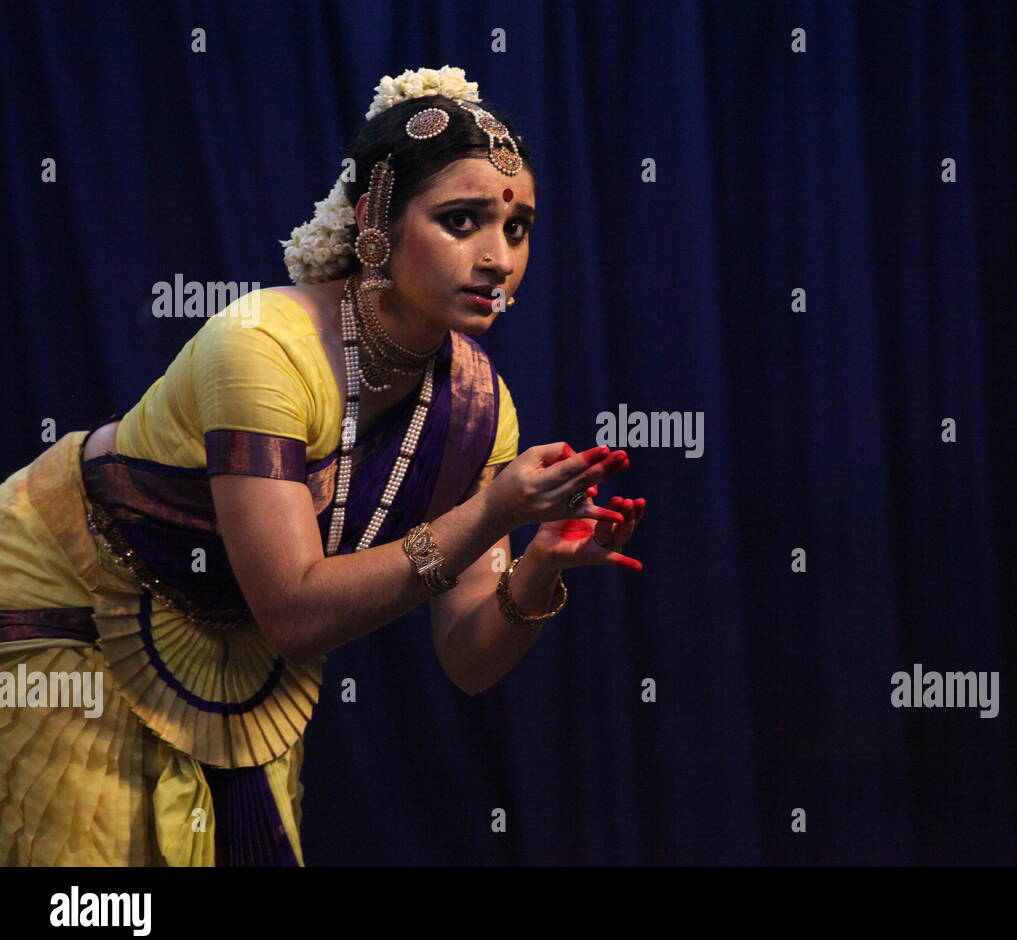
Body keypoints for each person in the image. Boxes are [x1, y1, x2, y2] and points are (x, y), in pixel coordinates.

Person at [0, 65, 646, 866]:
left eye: (516, 230)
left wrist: (539, 567)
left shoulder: (481, 409)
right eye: (461, 220)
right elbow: (297, 614)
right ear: (374, 224)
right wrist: (492, 513)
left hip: (232, 642)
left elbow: (469, 660)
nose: (497, 259)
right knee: (94, 885)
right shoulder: (264, 347)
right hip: (69, 596)